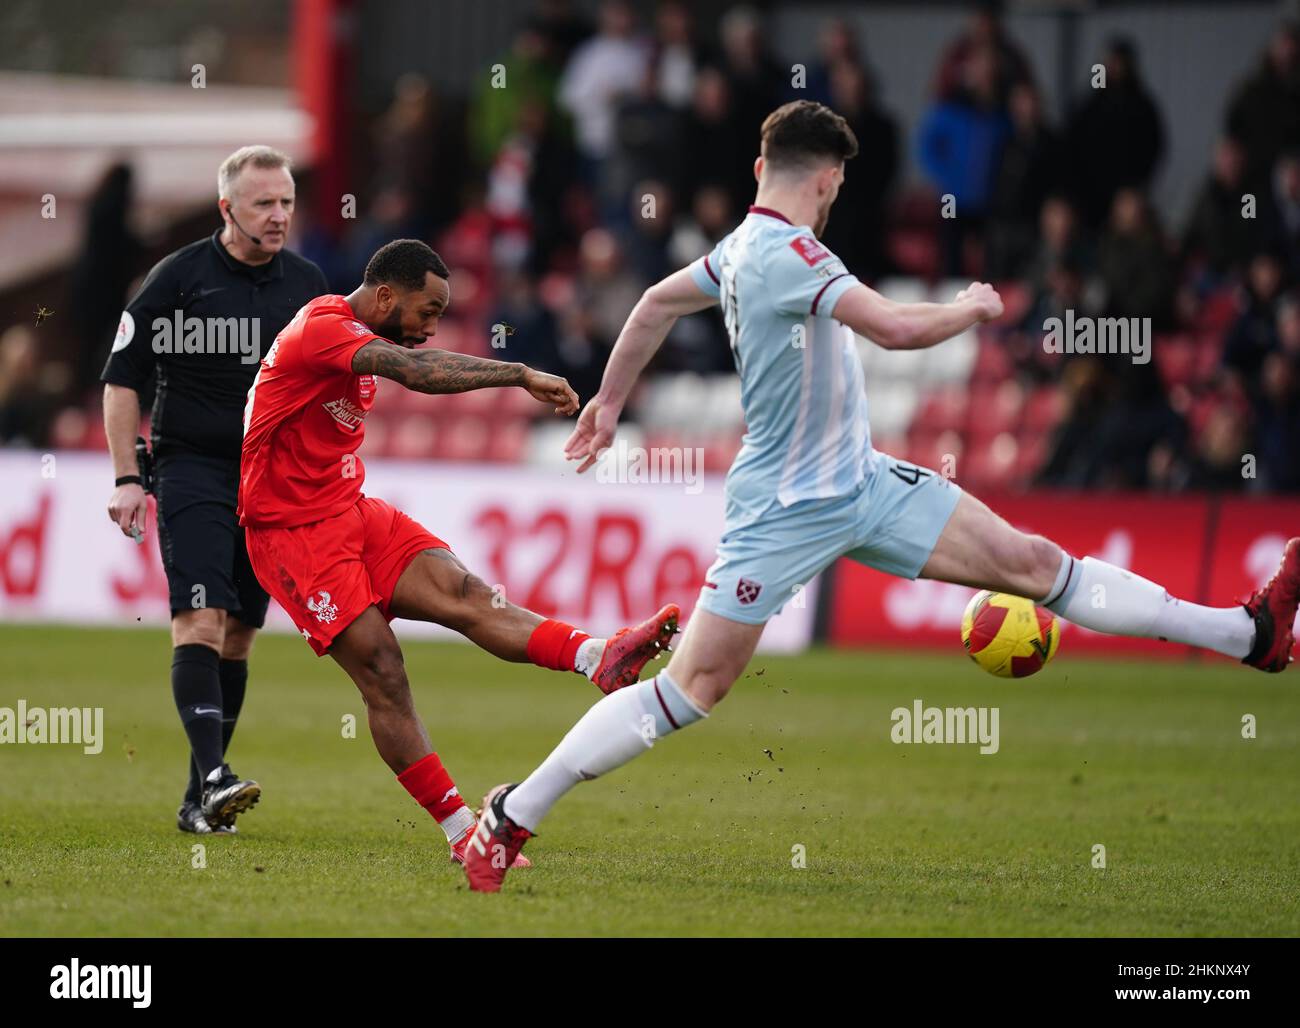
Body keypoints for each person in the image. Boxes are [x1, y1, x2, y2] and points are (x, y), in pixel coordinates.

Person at [462, 100, 1300, 891]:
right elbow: (895, 330)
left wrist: (609, 405)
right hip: (782, 511)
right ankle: (510, 815)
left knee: (1035, 562)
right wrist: (971, 307)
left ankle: (1245, 633)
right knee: (691, 691)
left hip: (862, 484)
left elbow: (650, 305)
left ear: (762, 164)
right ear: (826, 180)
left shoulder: (734, 253)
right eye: (838, 184)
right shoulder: (794, 255)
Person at [237, 238, 678, 864]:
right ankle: (461, 830)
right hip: (291, 533)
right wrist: (518, 372)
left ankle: (597, 656)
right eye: (428, 310)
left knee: (469, 594)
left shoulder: (353, 335)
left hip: (350, 510)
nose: (431, 325)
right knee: (383, 669)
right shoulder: (322, 328)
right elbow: (418, 374)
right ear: (386, 296)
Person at [102, 146, 330, 836]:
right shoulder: (178, 279)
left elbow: (336, 389)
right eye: (264, 203)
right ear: (227, 209)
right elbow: (120, 381)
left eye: (286, 201)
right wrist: (126, 477)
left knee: (238, 640)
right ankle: (214, 778)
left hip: (271, 486)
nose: (279, 215)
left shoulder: (309, 285)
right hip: (192, 469)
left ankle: (200, 796)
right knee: (200, 622)